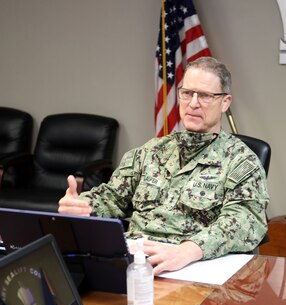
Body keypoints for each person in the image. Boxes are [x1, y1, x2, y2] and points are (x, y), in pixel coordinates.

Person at [58, 57, 269, 275]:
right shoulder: (150, 151)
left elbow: (244, 221)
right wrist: (84, 206)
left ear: (225, 102)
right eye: (187, 93)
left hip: (195, 266)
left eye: (205, 96)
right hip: (136, 263)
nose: (193, 103)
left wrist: (189, 250)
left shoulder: (241, 161)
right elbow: (112, 198)